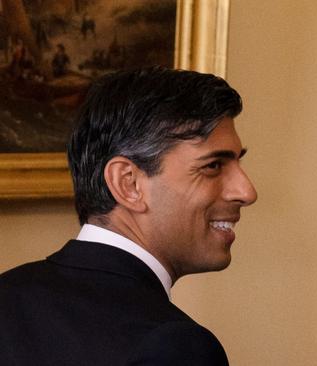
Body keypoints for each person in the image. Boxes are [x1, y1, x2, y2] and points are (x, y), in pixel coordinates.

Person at [0, 67, 257, 365]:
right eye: (213, 166)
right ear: (128, 183)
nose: (246, 191)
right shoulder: (176, 347)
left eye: (237, 163)